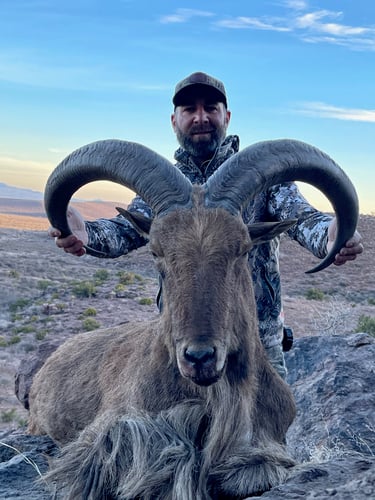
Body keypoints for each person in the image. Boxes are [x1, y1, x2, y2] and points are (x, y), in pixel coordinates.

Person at [49, 72, 363, 378]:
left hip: (257, 348)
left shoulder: (263, 181)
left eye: (210, 108)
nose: (200, 117)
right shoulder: (160, 192)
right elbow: (123, 232)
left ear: (226, 117)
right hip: (184, 344)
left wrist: (330, 235)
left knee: (271, 425)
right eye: (189, 109)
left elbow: (305, 219)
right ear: (174, 121)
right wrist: (85, 233)